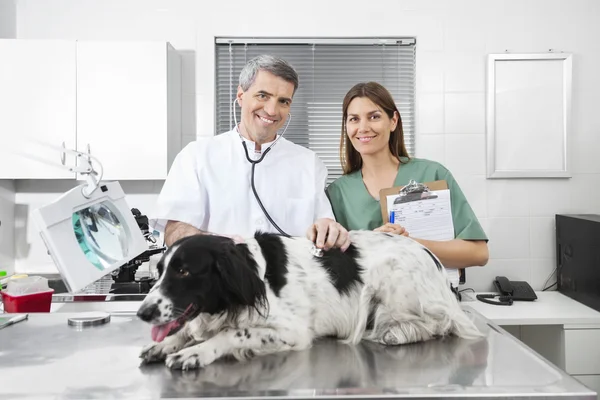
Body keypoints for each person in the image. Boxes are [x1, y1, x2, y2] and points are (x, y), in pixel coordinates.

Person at [151, 54, 349, 251]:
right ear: (240, 96)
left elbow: (323, 225)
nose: (272, 110)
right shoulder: (195, 157)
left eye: (283, 101)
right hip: (221, 278)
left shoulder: (309, 163)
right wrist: (218, 245)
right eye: (262, 96)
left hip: (287, 281)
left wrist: (328, 229)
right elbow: (174, 231)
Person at [326, 82, 488, 286]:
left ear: (393, 121)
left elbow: (478, 253)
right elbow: (332, 269)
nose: (363, 128)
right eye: (354, 119)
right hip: (368, 308)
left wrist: (409, 244)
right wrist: (371, 245)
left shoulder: (432, 175)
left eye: (374, 117)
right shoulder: (337, 193)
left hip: (431, 302)